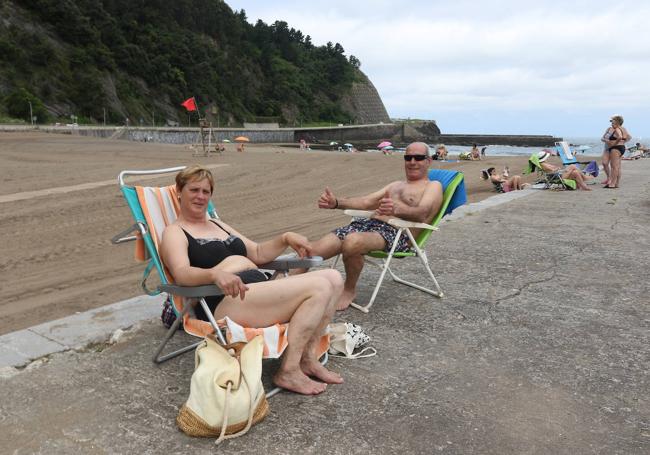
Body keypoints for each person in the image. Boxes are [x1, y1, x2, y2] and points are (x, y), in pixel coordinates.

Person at [160, 165, 344, 395]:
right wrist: (214, 274)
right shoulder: (174, 232)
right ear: (179, 191)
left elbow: (257, 253)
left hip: (256, 291)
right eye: (194, 190)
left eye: (206, 191)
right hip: (225, 300)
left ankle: (308, 358)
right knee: (319, 287)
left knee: (334, 278)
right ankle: (288, 370)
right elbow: (181, 273)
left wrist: (286, 237)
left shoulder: (217, 224)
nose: (200, 196)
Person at [306, 142, 443, 310]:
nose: (412, 161)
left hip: (398, 233)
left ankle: (349, 290)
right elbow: (366, 202)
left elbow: (422, 212)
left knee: (352, 242)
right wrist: (336, 203)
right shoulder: (395, 185)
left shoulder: (433, 186)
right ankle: (287, 288)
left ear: (429, 161)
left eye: (419, 158)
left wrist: (396, 209)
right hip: (367, 225)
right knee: (312, 251)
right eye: (408, 157)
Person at [604, 115, 631, 188]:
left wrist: (614, 143)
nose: (612, 124)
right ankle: (617, 183)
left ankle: (612, 184)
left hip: (616, 148)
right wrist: (623, 142)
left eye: (613, 122)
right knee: (618, 167)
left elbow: (619, 137)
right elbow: (629, 137)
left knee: (614, 167)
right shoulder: (623, 129)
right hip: (622, 148)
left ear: (617, 122)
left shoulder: (617, 129)